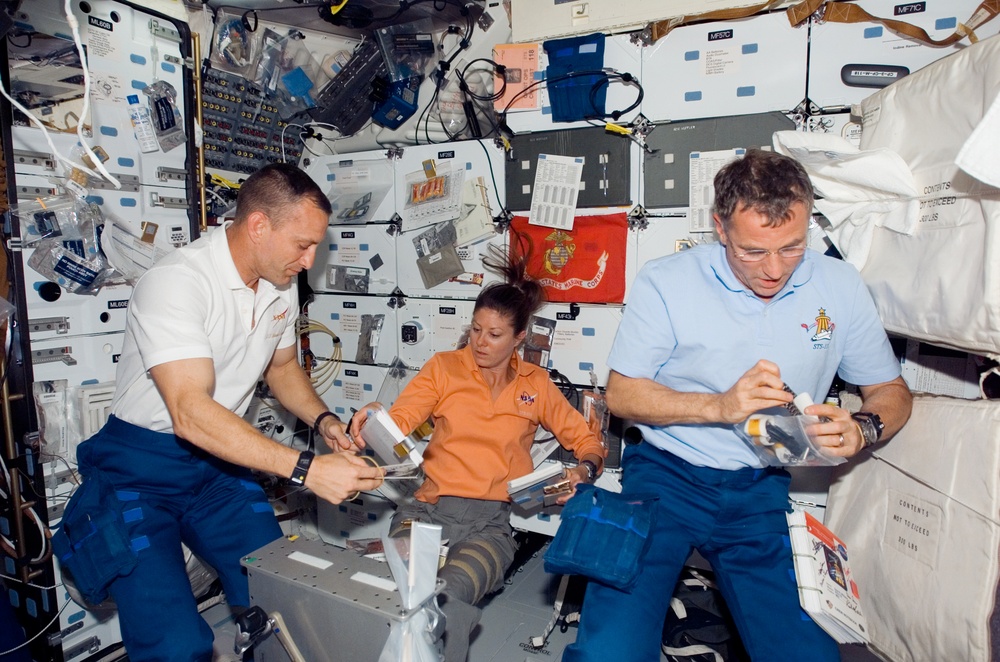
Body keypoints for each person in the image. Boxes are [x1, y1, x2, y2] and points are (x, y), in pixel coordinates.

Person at [564, 149, 913, 661]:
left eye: (792, 247)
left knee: (808, 655)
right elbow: (622, 394)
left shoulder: (839, 286)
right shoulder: (666, 281)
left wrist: (864, 427)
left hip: (760, 488)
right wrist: (721, 406)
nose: (774, 270)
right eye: (752, 251)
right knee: (609, 652)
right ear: (720, 229)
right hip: (666, 476)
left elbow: (893, 393)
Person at [59, 163, 383, 661]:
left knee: (283, 594)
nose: (310, 259)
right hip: (140, 470)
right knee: (177, 644)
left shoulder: (280, 280)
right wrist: (307, 468)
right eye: (302, 244)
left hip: (214, 467)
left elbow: (281, 369)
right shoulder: (176, 283)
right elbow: (190, 412)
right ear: (258, 225)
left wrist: (325, 423)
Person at [350, 245, 607, 662]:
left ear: (519, 338)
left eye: (494, 334)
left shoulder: (536, 384)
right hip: (426, 510)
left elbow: (587, 440)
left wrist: (585, 468)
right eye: (475, 330)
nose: (480, 343)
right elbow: (402, 418)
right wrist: (377, 420)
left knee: (449, 599)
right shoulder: (445, 368)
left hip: (489, 525)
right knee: (400, 592)